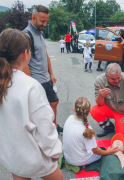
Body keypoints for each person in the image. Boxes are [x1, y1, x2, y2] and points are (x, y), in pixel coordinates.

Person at [0, 28, 63, 180]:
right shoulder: (30, 86)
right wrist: (54, 152)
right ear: (25, 53)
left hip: (12, 155)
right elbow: (44, 126)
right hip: (35, 158)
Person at [23, 5, 63, 134]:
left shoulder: (40, 33)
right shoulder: (26, 34)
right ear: (34, 18)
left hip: (46, 78)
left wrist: (51, 74)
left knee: (54, 102)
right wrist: (30, 82)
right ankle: (41, 132)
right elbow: (25, 62)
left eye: (46, 21)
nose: (45, 24)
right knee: (39, 109)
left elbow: (45, 55)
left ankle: (54, 125)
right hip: (36, 80)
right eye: (42, 21)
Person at [60, 97, 119, 173]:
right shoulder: (87, 130)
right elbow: (95, 151)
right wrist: (108, 152)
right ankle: (78, 165)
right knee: (103, 150)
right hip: (77, 161)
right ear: (88, 112)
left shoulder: (69, 118)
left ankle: (67, 161)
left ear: (74, 109)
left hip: (67, 155)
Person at [90, 63, 124, 143]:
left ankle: (121, 126)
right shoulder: (99, 80)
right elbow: (100, 104)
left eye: (119, 77)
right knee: (94, 111)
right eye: (113, 79)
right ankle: (109, 127)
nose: (117, 81)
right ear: (106, 76)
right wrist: (100, 96)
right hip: (110, 107)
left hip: (123, 112)